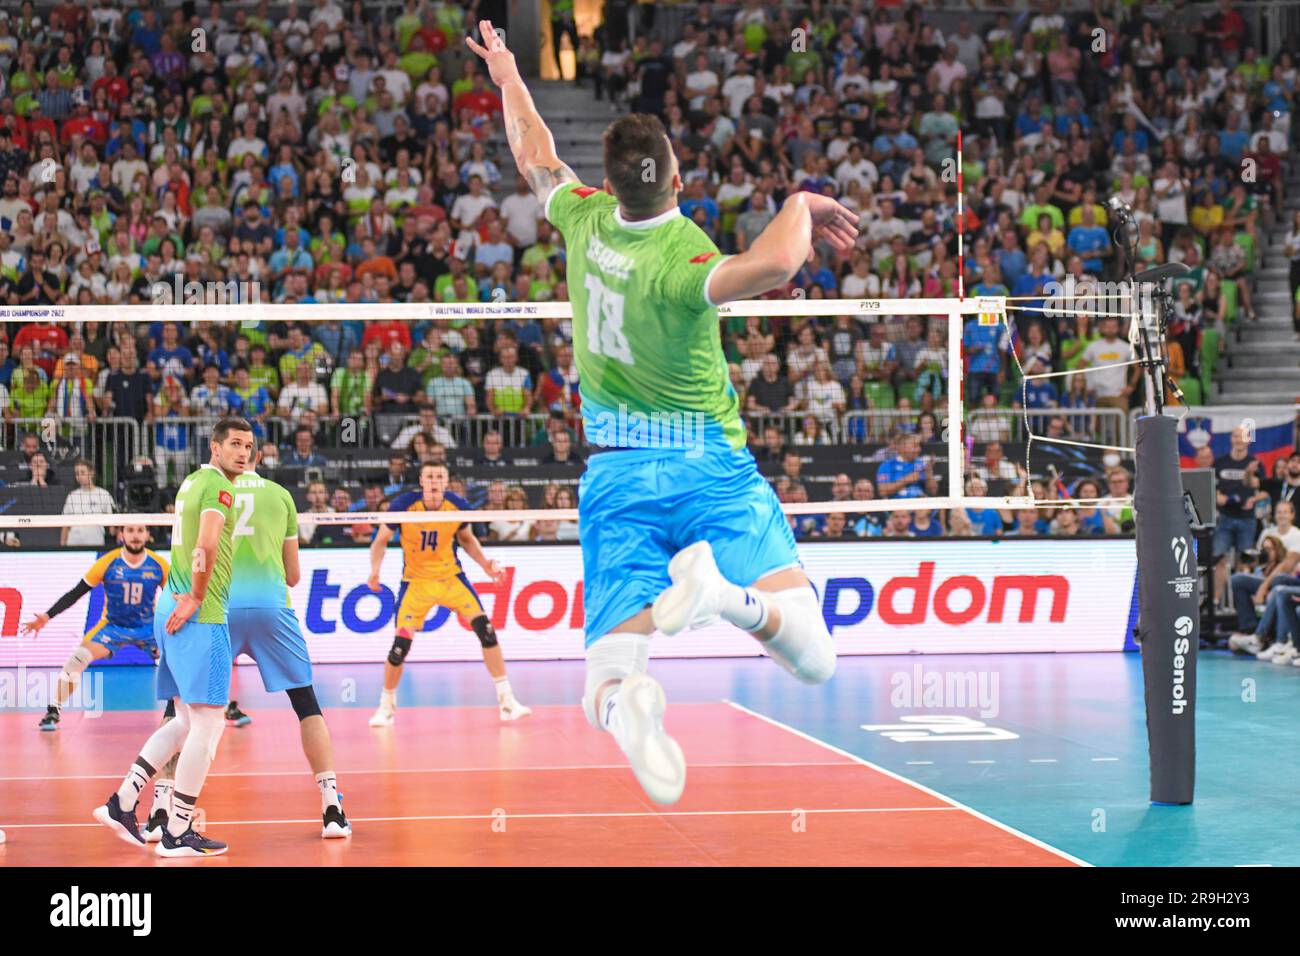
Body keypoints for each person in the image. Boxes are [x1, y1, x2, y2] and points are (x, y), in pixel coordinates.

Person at [467, 19, 852, 805]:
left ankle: (635, 704)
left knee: (603, 682)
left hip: (617, 473)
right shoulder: (686, 261)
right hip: (708, 464)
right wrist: (800, 199)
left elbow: (535, 153)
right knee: (814, 658)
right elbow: (778, 261)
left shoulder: (581, 219)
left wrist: (508, 73)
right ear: (677, 183)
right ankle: (728, 602)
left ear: (607, 188)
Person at [92, 417, 255, 858]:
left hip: (172, 604)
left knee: (183, 719)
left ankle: (123, 801)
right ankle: (177, 830)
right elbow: (206, 543)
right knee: (209, 722)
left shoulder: (192, 481)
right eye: (235, 444)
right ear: (215, 447)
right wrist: (197, 597)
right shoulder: (220, 487)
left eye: (250, 446)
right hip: (200, 611)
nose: (245, 452)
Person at [226, 458, 352, 838]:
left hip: (222, 607)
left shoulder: (207, 491)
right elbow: (294, 576)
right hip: (271, 606)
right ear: (257, 457)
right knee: (305, 703)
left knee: (183, 709)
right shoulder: (281, 496)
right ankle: (332, 807)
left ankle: (163, 811)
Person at [366, 462, 531, 726]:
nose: (434, 481)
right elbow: (380, 541)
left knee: (486, 631)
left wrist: (486, 565)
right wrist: (375, 570)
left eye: (439, 477)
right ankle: (386, 706)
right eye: (429, 476)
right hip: (416, 583)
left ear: (446, 482)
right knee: (400, 647)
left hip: (451, 579)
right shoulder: (404, 505)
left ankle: (507, 701)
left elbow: (466, 539)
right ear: (421, 480)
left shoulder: (457, 505)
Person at [22, 525, 168, 731]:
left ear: (147, 534)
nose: (135, 535)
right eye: (130, 530)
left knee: (175, 660)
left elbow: (176, 596)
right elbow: (77, 592)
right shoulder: (108, 562)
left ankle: (173, 711)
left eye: (140, 530)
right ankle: (54, 709)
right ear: (121, 535)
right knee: (77, 659)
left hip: (148, 627)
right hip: (112, 627)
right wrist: (47, 616)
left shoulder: (158, 564)